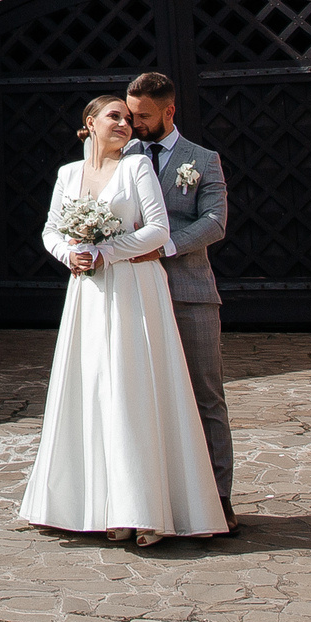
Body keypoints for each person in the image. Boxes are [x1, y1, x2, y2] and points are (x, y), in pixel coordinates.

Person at [18, 94, 227, 543]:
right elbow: (52, 229)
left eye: (130, 119)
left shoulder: (138, 169)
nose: (125, 124)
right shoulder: (68, 174)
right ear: (89, 123)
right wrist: (69, 254)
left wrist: (105, 252)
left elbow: (158, 229)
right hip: (88, 295)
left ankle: (146, 509)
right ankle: (100, 507)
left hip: (135, 288)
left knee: (134, 389)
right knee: (91, 389)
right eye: (115, 116)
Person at [124, 71, 236, 534]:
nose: (135, 124)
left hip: (189, 292)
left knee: (205, 395)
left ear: (170, 111)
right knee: (142, 398)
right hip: (133, 295)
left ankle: (219, 499)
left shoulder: (202, 160)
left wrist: (164, 246)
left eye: (144, 116)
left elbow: (215, 222)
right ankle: (154, 502)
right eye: (130, 115)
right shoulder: (122, 155)